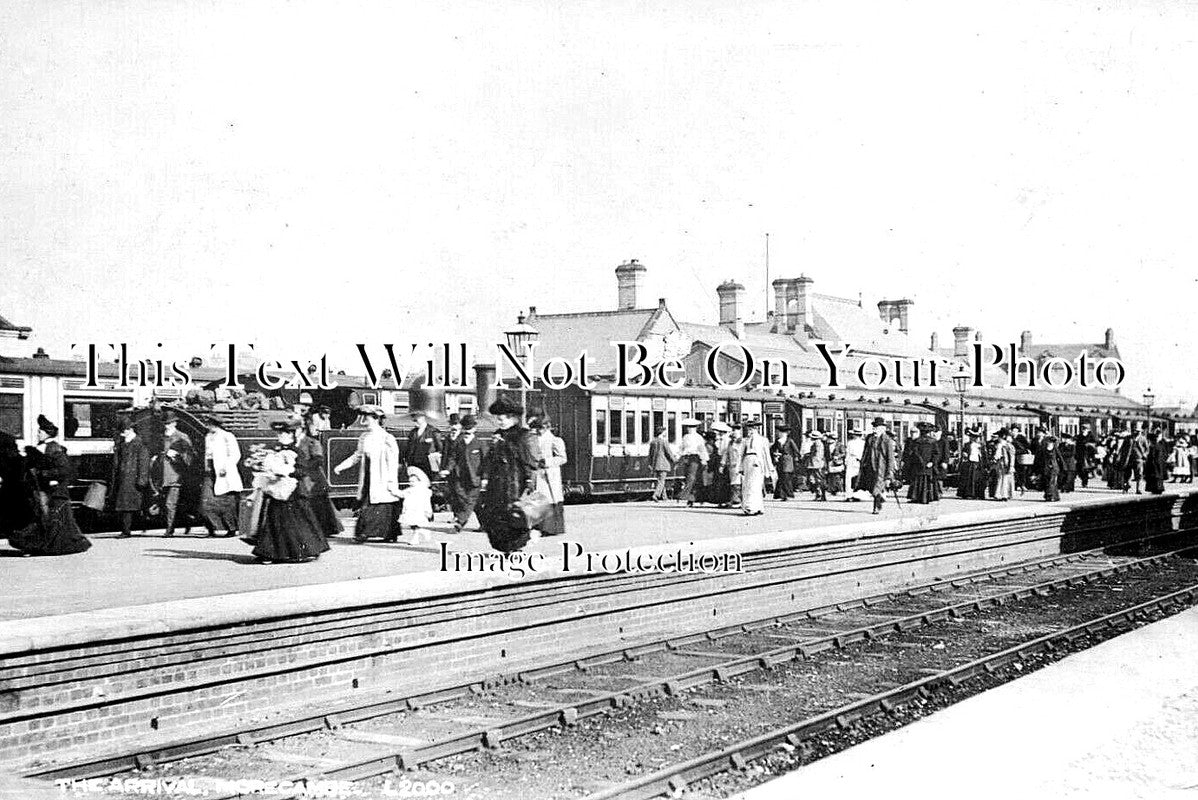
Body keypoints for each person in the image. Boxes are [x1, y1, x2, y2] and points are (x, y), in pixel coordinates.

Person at [7, 415, 91, 555]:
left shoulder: (55, 449)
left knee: (49, 521)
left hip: (54, 492)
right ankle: (45, 546)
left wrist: (42, 474)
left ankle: (46, 546)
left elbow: (64, 470)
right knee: (48, 521)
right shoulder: (43, 448)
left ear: (47, 433)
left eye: (40, 432)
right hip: (44, 491)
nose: (38, 434)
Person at [251, 419, 330, 563]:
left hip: (293, 491)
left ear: (291, 435)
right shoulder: (275, 450)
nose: (280, 436)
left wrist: (285, 471)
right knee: (275, 521)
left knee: (297, 521)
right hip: (277, 490)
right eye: (279, 433)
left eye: (284, 433)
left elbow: (301, 471)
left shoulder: (296, 451)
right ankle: (270, 553)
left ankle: (306, 550)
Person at [477, 397, 543, 552]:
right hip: (497, 485)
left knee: (514, 516)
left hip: (516, 482)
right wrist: (485, 477)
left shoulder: (524, 436)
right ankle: (507, 549)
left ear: (514, 418)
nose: (501, 421)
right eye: (499, 419)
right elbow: (489, 459)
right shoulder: (497, 435)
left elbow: (532, 462)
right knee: (495, 517)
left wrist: (529, 482)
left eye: (504, 418)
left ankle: (517, 548)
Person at [334, 404, 402, 542]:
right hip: (368, 477)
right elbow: (357, 455)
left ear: (376, 419)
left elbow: (393, 462)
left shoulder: (387, 438)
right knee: (368, 502)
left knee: (381, 504)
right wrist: (341, 466)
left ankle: (378, 534)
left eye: (367, 417)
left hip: (382, 477)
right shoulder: (364, 437)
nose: (364, 421)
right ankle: (370, 533)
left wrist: (391, 481)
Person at [295, 417, 343, 538]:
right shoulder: (293, 443)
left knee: (317, 505)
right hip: (300, 478)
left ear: (302, 429)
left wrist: (302, 467)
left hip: (311, 478)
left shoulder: (312, 442)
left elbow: (318, 459)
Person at [200, 415, 243, 536]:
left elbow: (235, 454)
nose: (207, 426)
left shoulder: (227, 436)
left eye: (209, 424)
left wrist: (226, 467)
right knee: (206, 500)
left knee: (226, 501)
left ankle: (231, 528)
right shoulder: (208, 437)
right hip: (209, 470)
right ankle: (212, 527)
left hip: (223, 472)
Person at [157, 412, 197, 537]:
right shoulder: (161, 436)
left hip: (175, 475)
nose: (166, 426)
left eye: (169, 423)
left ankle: (170, 529)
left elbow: (190, 457)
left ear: (174, 423)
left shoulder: (181, 437)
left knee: (170, 503)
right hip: (162, 475)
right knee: (168, 504)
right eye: (165, 423)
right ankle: (182, 524)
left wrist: (177, 455)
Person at [445, 414, 488, 531]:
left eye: (469, 428)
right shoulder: (458, 443)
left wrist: (485, 477)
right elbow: (452, 458)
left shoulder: (480, 443)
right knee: (469, 501)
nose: (467, 430)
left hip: (475, 477)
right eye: (465, 428)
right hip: (460, 476)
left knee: (470, 500)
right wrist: (447, 470)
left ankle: (460, 523)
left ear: (474, 429)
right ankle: (485, 524)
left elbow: (486, 462)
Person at [529, 409, 568, 536]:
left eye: (540, 428)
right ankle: (539, 527)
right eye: (537, 428)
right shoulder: (534, 439)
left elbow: (562, 458)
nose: (538, 431)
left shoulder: (555, 440)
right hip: (537, 475)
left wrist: (547, 462)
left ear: (547, 427)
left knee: (550, 501)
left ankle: (551, 529)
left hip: (549, 476)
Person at [110, 419, 151, 538]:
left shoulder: (139, 443)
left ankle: (126, 530)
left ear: (130, 430)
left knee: (128, 505)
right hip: (124, 478)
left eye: (123, 431)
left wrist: (142, 480)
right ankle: (126, 529)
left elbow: (143, 463)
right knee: (125, 505)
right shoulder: (123, 443)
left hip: (132, 479)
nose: (122, 433)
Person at [0, 431, 37, 539]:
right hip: (13, 485)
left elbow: (11, 462)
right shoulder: (8, 440)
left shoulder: (5, 441)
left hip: (11, 485)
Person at [858, 418, 895, 515]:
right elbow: (865, 452)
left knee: (876, 488)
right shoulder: (870, 438)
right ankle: (880, 498)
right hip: (870, 467)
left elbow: (890, 458)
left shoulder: (887, 440)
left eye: (876, 426)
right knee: (870, 487)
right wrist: (863, 463)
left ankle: (876, 507)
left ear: (882, 428)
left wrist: (889, 473)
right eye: (874, 426)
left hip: (881, 468)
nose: (874, 428)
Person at [738, 419, 773, 515]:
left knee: (756, 485)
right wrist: (740, 467)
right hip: (747, 461)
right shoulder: (745, 441)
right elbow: (741, 454)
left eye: (752, 429)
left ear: (756, 429)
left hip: (758, 461)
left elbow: (766, 454)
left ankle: (754, 507)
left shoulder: (763, 440)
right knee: (747, 485)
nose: (750, 431)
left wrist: (769, 468)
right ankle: (750, 506)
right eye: (749, 429)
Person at [904, 422, 941, 504]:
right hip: (927, 465)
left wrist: (921, 461)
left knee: (918, 481)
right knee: (926, 481)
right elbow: (936, 453)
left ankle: (916, 497)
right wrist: (932, 462)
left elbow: (914, 453)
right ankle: (926, 498)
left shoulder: (916, 441)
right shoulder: (933, 441)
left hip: (918, 465)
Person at [398, 466, 435, 545]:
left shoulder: (424, 491)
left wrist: (428, 511)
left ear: (419, 481)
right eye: (410, 481)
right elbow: (401, 494)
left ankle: (415, 538)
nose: (411, 483)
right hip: (409, 510)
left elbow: (426, 502)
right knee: (412, 524)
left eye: (413, 481)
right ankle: (423, 532)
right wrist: (392, 490)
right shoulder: (409, 490)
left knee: (416, 525)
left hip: (419, 511)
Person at [404, 411, 444, 482]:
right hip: (415, 465)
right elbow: (409, 449)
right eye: (414, 420)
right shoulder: (413, 433)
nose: (415, 422)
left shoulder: (433, 431)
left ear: (423, 418)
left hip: (429, 466)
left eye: (416, 420)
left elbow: (440, 449)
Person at [677, 419, 708, 507]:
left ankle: (688, 496)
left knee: (691, 477)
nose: (689, 429)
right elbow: (681, 447)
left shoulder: (698, 437)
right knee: (689, 477)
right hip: (687, 458)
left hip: (695, 458)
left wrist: (703, 459)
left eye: (691, 427)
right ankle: (690, 498)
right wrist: (678, 456)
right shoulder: (685, 437)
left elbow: (701, 449)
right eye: (689, 427)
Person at [770, 426, 801, 501]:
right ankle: (781, 495)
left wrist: (796, 459)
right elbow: (772, 449)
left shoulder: (790, 441)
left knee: (786, 476)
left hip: (788, 460)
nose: (780, 434)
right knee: (781, 477)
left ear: (786, 433)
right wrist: (775, 454)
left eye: (782, 433)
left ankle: (788, 494)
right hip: (780, 461)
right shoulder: (778, 441)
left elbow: (796, 450)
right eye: (780, 432)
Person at [956, 428, 988, 499]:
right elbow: (964, 453)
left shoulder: (981, 446)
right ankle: (968, 493)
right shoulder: (967, 445)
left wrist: (986, 465)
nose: (974, 439)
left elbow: (984, 456)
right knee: (969, 479)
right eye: (973, 437)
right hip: (969, 463)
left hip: (978, 464)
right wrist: (964, 454)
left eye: (975, 437)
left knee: (978, 479)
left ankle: (978, 494)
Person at [648, 426, 677, 501]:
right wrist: (675, 460)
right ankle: (656, 495)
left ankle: (665, 497)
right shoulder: (664, 441)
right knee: (662, 480)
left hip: (655, 464)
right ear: (662, 432)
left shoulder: (653, 442)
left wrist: (650, 463)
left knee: (660, 480)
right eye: (665, 432)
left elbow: (650, 454)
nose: (666, 433)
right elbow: (669, 452)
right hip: (663, 464)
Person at [1035, 435, 1066, 502]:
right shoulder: (1043, 449)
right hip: (1045, 468)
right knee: (1047, 481)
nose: (1050, 443)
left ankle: (1051, 496)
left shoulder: (1055, 449)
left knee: (1052, 482)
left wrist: (1063, 467)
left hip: (1054, 468)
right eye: (1049, 442)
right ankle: (1050, 496)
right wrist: (1036, 469)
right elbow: (1038, 459)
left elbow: (1060, 458)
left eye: (1052, 442)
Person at [991, 428, 1016, 500]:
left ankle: (1001, 494)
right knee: (1006, 478)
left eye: (999, 436)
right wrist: (1012, 465)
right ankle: (1006, 494)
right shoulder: (1009, 445)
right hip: (1007, 463)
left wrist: (994, 460)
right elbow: (1012, 456)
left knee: (1001, 478)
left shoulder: (1000, 445)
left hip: (1002, 463)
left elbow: (997, 455)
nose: (998, 438)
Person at [805, 430, 829, 501]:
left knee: (817, 479)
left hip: (815, 464)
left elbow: (817, 455)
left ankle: (820, 494)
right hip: (817, 463)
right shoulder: (819, 443)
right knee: (817, 479)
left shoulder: (817, 444)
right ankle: (820, 494)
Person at [725, 424, 744, 507]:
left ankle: (738, 500)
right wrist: (724, 464)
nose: (734, 432)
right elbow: (727, 453)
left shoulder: (742, 442)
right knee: (733, 483)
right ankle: (734, 499)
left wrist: (741, 465)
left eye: (736, 430)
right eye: (733, 430)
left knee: (738, 483)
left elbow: (742, 454)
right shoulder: (731, 442)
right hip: (731, 465)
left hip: (739, 464)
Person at [844, 425, 865, 501]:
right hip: (859, 461)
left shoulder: (850, 443)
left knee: (850, 478)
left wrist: (846, 462)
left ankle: (849, 495)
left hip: (852, 461)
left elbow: (848, 453)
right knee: (858, 478)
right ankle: (857, 495)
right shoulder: (863, 443)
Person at [1145, 430, 1169, 495]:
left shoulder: (1153, 447)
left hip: (1154, 465)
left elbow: (1152, 457)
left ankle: (1155, 489)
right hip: (1160, 465)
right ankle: (1159, 489)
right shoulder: (1160, 446)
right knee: (1159, 479)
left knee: (1154, 479)